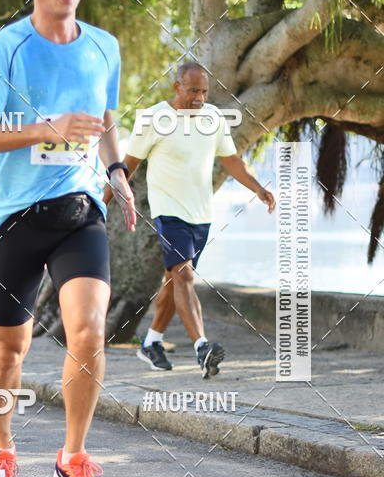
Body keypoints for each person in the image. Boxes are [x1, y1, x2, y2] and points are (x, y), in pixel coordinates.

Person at [0, 0, 136, 477]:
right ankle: (1, 449)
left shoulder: (104, 46)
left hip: (79, 212)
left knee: (88, 332)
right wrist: (46, 129)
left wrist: (117, 171)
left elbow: (105, 118)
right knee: (10, 347)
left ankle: (73, 456)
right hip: (13, 216)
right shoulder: (5, 49)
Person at [104, 62, 275, 378]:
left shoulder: (213, 118)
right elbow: (127, 166)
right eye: (193, 90)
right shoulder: (154, 118)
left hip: (201, 214)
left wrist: (258, 188)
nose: (199, 98)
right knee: (184, 275)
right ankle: (202, 346)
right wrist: (100, 205)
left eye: (204, 92)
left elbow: (231, 160)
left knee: (174, 279)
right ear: (177, 87)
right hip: (168, 211)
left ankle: (151, 341)